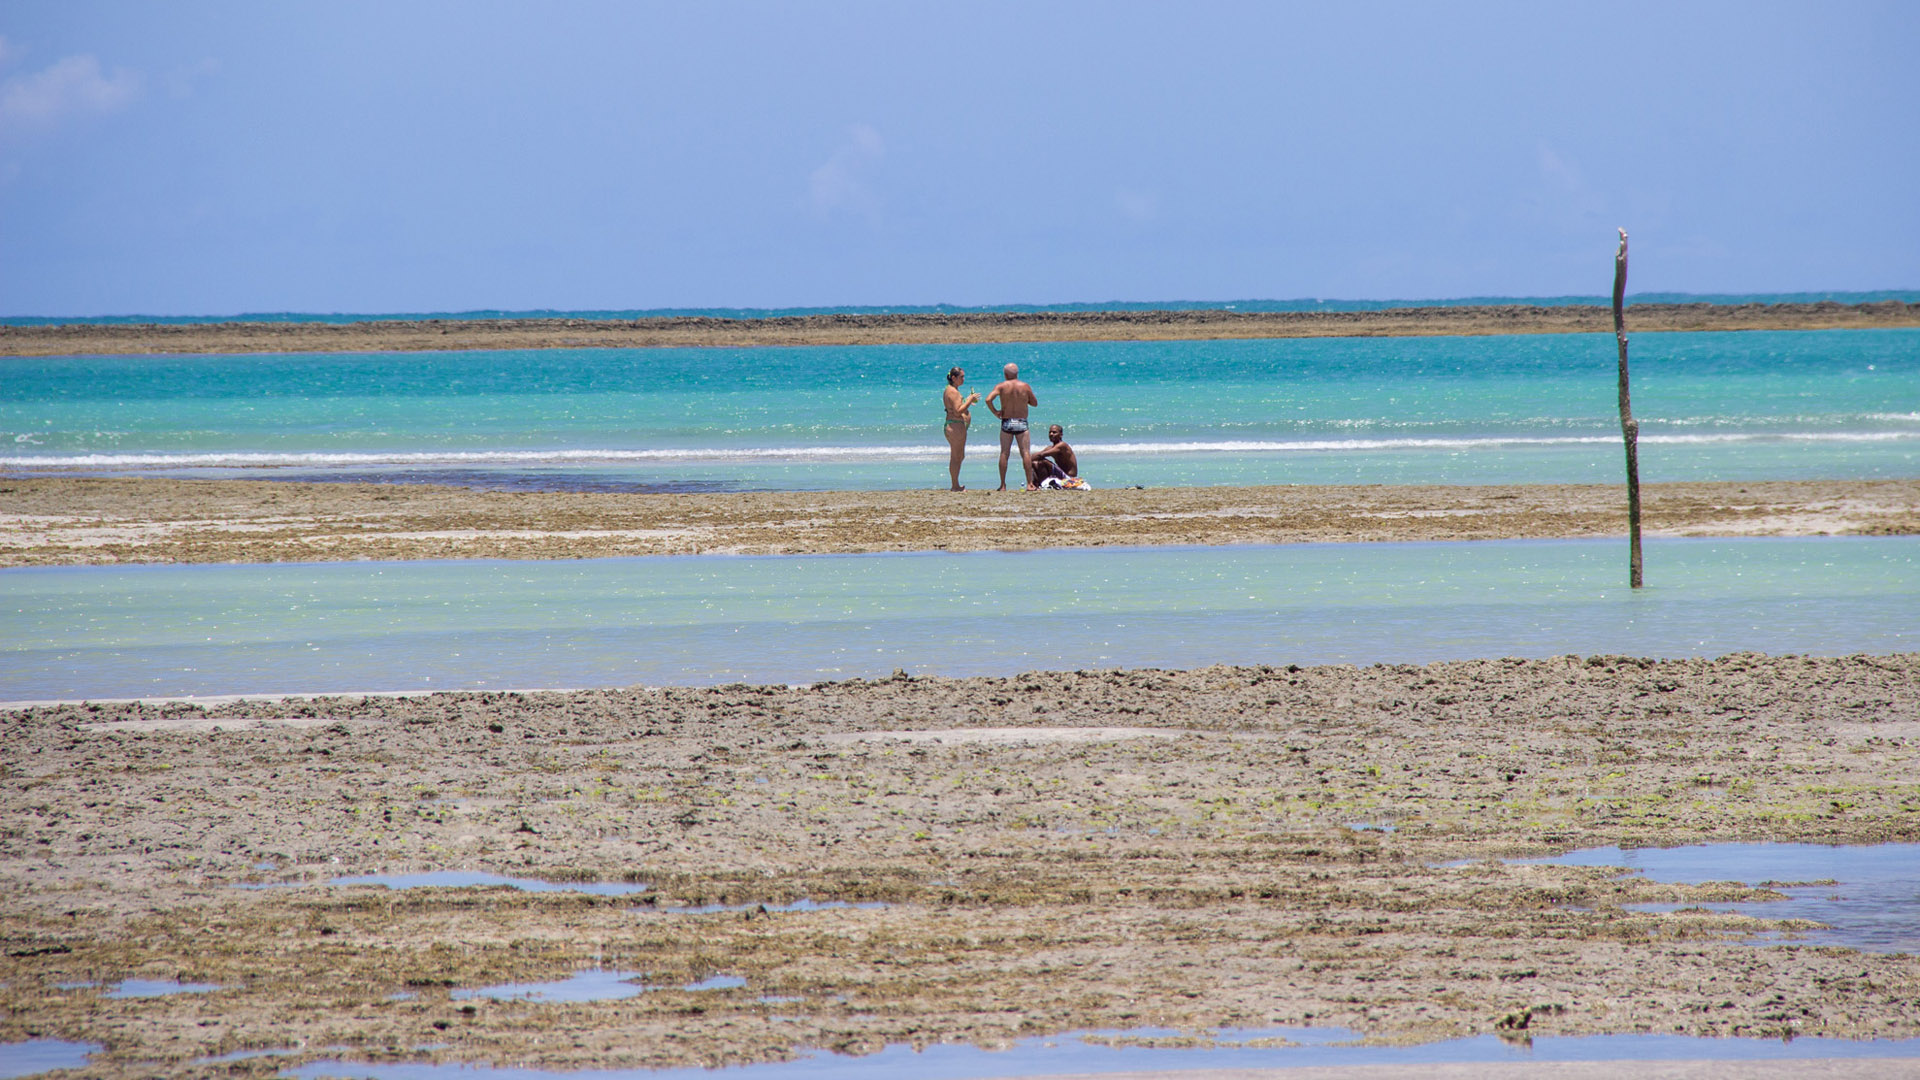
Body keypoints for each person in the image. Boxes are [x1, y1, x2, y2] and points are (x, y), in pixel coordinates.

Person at [985, 362, 1038, 491]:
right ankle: (1030, 484)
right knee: (1025, 452)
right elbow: (1034, 403)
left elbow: (988, 399)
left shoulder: (1001, 386)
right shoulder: (1024, 386)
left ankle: (1003, 485)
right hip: (1021, 421)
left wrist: (996, 412)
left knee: (1004, 453)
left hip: (1007, 421)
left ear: (1005, 374)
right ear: (1017, 374)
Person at [941, 367, 981, 491]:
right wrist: (969, 400)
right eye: (961, 377)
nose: (963, 379)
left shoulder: (953, 390)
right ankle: (955, 485)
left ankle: (955, 484)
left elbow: (957, 405)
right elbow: (958, 411)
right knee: (955, 457)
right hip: (955, 425)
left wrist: (967, 401)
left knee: (960, 456)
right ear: (953, 378)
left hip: (957, 426)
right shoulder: (952, 391)